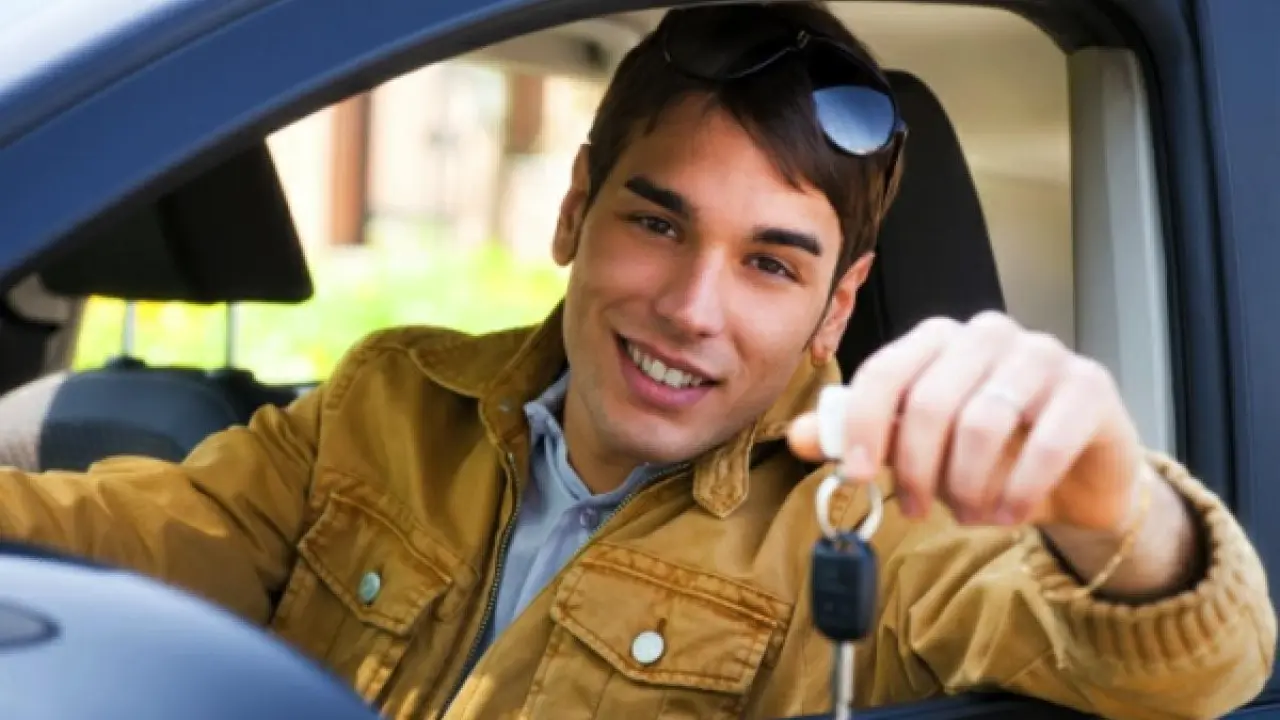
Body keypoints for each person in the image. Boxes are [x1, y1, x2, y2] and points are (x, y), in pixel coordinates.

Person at [0, 3, 1274, 718]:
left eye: (769, 264)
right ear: (575, 211)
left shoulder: (878, 526)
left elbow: (1194, 672)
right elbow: (104, 542)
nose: (688, 309)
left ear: (836, 306)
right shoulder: (388, 401)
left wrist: (1118, 506)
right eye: (656, 224)